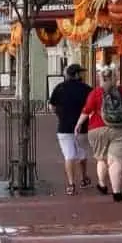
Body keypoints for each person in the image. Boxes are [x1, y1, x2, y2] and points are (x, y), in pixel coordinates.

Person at [75, 66, 122, 202]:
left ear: (101, 79)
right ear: (115, 78)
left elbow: (87, 110)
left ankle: (102, 185)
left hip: (98, 129)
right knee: (116, 160)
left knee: (101, 158)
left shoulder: (96, 92)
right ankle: (117, 193)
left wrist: (78, 124)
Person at [49, 64, 93, 195]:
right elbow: (92, 107)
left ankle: (71, 184)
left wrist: (60, 116)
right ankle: (84, 178)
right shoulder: (86, 89)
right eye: (81, 73)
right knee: (82, 153)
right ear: (77, 74)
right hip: (82, 127)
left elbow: (52, 106)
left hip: (64, 128)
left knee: (69, 155)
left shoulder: (59, 88)